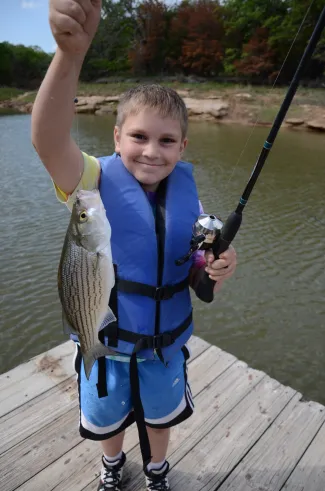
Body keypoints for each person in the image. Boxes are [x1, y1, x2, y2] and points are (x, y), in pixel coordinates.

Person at [31, 1, 237, 490]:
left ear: (183, 147)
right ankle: (111, 465)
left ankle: (157, 469)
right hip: (106, 339)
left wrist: (218, 265)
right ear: (117, 136)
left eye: (167, 141)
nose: (152, 150)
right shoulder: (92, 184)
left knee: (160, 417)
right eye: (139, 136)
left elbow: (195, 264)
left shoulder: (189, 197)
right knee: (106, 415)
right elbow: (46, 139)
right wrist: (69, 55)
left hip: (165, 348)